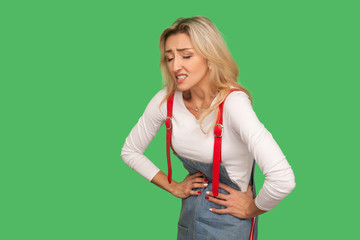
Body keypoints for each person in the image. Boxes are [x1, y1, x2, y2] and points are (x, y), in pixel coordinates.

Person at [121, 16, 295, 240]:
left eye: (186, 55)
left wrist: (252, 209)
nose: (175, 66)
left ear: (210, 57)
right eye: (169, 57)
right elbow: (130, 151)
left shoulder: (233, 104)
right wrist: (173, 186)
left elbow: (283, 179)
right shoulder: (165, 101)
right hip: (188, 222)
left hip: (230, 228)